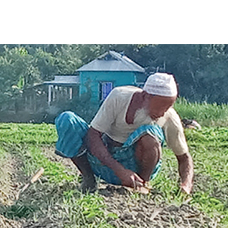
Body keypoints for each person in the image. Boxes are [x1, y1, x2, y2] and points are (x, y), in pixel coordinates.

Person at [54, 72, 194, 195]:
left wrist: (186, 185)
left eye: (169, 106)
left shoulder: (169, 117)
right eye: (161, 106)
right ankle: (89, 179)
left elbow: (184, 158)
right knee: (67, 119)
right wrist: (119, 170)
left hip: (135, 169)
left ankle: (142, 184)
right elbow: (93, 135)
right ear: (145, 96)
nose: (164, 112)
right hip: (104, 163)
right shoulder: (119, 97)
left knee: (150, 133)